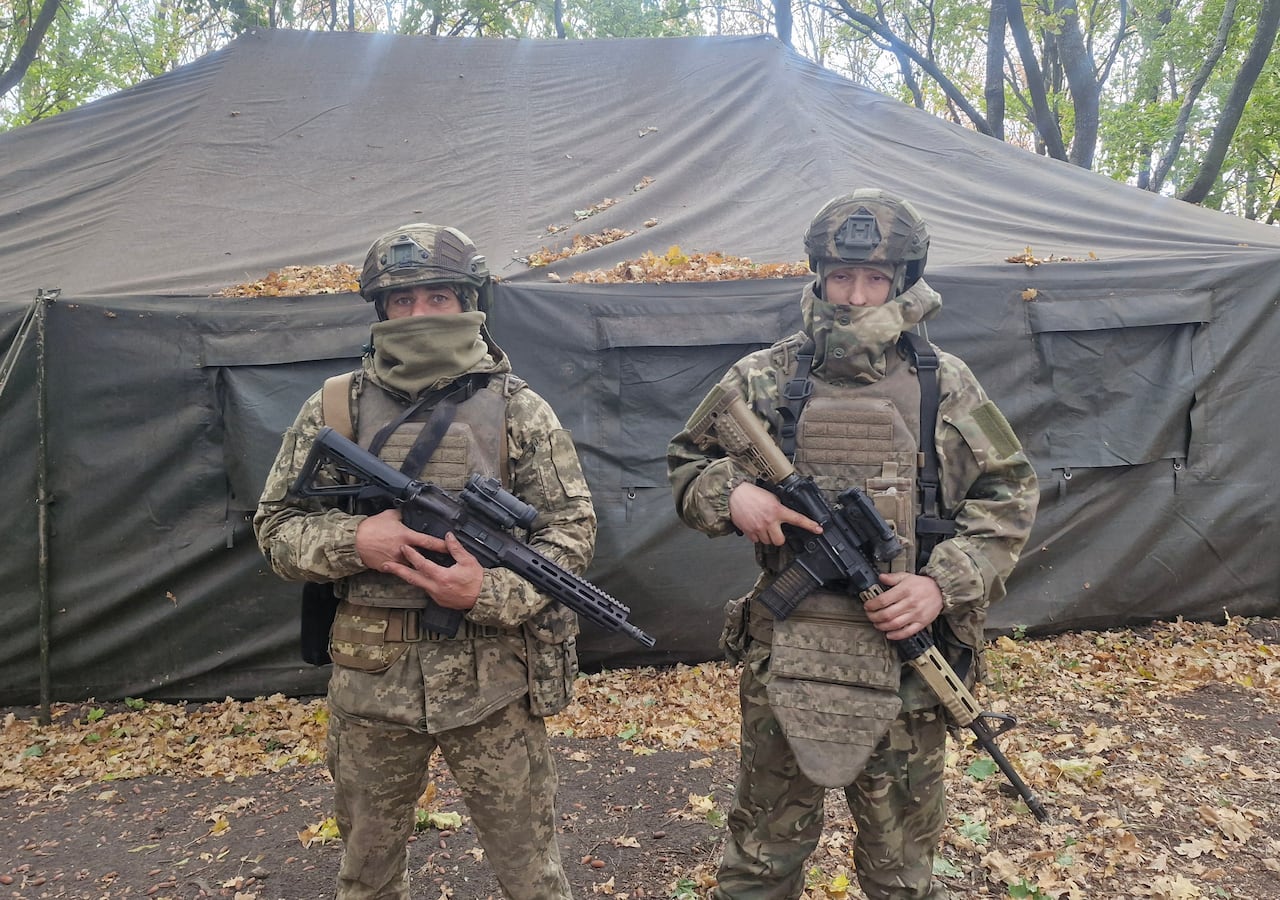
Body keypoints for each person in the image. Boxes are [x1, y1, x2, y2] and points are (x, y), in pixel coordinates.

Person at [666, 189, 1039, 900]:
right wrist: (732, 494)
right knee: (762, 859)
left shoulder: (944, 384)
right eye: (842, 276)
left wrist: (942, 582)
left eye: (874, 278)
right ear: (817, 276)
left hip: (908, 660)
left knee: (900, 870)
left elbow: (1010, 494)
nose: (857, 295)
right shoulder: (765, 378)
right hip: (790, 654)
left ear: (902, 281)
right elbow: (686, 465)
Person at [254, 223, 595, 900]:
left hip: (492, 681)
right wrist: (358, 541)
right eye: (401, 301)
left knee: (533, 875)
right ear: (380, 310)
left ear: (469, 301)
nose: (418, 314)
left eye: (437, 296)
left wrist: (489, 590)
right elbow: (275, 527)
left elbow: (572, 533)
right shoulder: (333, 407)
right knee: (367, 875)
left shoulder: (519, 410)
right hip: (369, 683)